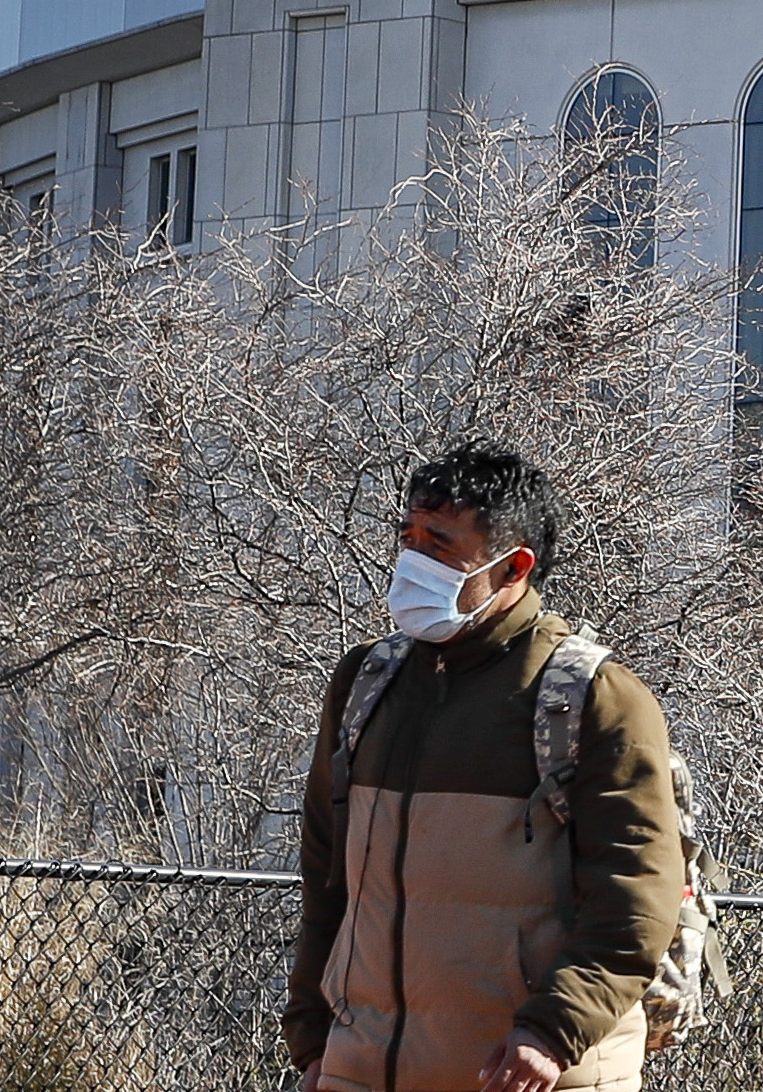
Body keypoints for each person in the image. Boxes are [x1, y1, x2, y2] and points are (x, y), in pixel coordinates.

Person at [287, 443, 684, 1092]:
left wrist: (552, 1030)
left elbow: (635, 899)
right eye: (407, 537)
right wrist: (311, 1040)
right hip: (360, 1069)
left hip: (534, 1075)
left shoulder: (595, 695)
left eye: (439, 544)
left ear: (514, 566)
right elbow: (326, 878)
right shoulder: (365, 681)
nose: (413, 561)